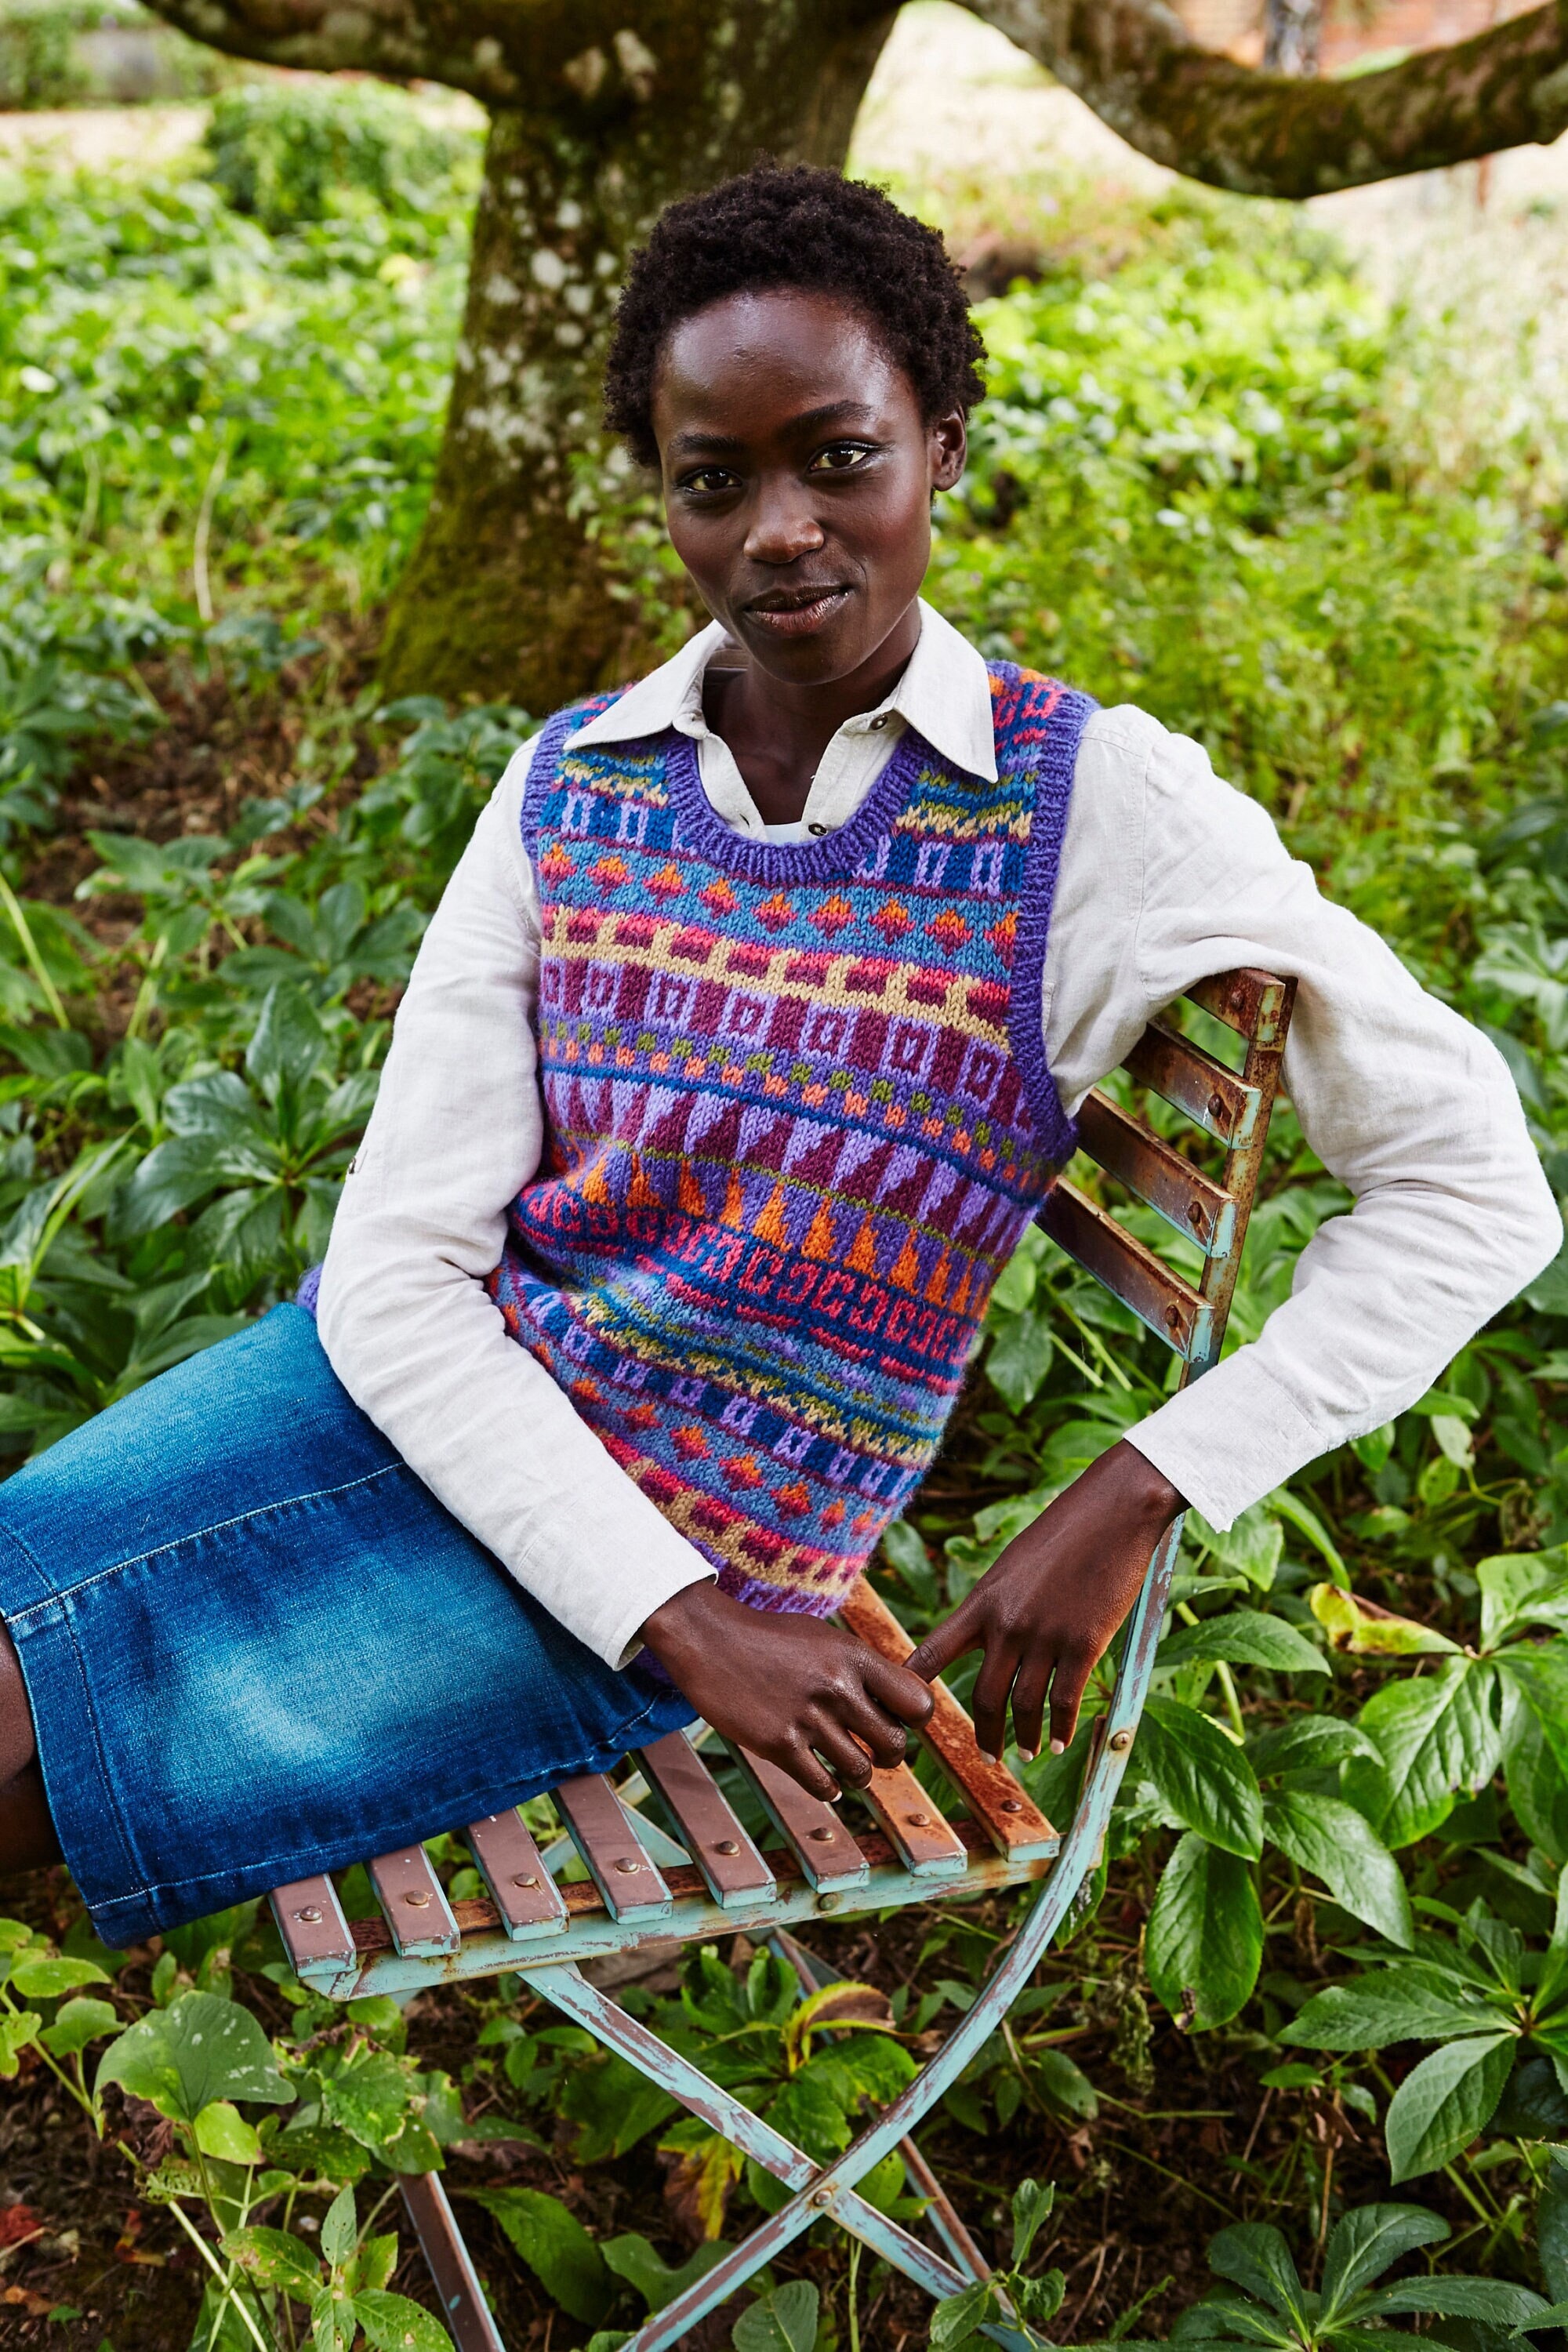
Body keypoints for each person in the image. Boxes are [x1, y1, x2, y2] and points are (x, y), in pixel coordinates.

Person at [0, 168, 1556, 1949]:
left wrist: (1149, 1481)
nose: (780, 532)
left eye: (837, 458)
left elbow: (1471, 1188)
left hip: (701, 1543)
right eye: (711, 481)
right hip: (425, 1415)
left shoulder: (1094, 809)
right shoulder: (575, 784)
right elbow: (398, 1272)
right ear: (660, 492)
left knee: (41, 1756)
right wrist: (675, 1617)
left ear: (941, 448)